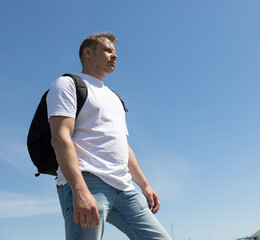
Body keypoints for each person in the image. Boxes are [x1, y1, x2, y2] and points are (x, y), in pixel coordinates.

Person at [47, 32, 172, 240]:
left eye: (115, 53)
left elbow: (124, 147)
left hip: (124, 187)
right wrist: (79, 190)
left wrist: (145, 186)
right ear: (88, 53)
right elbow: (60, 138)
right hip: (88, 181)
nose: (115, 56)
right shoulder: (67, 84)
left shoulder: (115, 97)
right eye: (108, 51)